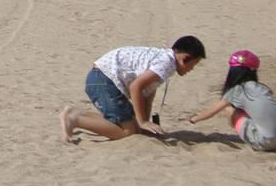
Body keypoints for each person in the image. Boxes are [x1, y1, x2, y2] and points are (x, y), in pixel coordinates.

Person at [60, 36, 206, 142]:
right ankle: (75, 120)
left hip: (102, 79)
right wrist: (142, 122)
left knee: (134, 127)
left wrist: (144, 124)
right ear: (185, 58)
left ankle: (76, 113)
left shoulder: (164, 59)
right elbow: (136, 86)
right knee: (127, 131)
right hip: (103, 80)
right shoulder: (166, 63)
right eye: (193, 64)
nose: (191, 69)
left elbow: (147, 93)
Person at [187, 51, 276, 152]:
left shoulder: (237, 90)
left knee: (229, 110)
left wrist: (193, 119)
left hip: (264, 142)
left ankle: (249, 138)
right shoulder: (263, 88)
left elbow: (211, 112)